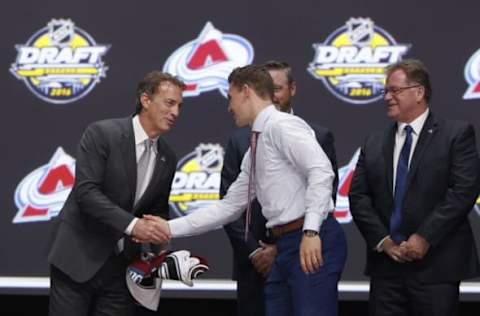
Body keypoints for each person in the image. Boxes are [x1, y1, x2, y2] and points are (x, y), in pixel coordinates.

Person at [152, 64, 347, 316]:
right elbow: (230, 206)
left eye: (230, 98)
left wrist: (311, 231)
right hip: (286, 244)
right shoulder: (257, 142)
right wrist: (168, 228)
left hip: (310, 239)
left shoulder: (281, 125)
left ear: (246, 92)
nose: (229, 107)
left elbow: (321, 171)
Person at [348, 59, 480, 316]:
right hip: (386, 269)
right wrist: (384, 241)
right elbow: (358, 196)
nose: (387, 97)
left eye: (394, 90)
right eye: (385, 91)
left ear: (419, 92)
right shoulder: (374, 141)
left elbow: (463, 191)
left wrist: (424, 237)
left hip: (437, 268)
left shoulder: (456, 134)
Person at [48, 71, 185, 316]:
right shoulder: (102, 134)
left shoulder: (168, 156)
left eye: (179, 106)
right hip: (78, 259)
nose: (176, 113)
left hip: (123, 270)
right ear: (145, 100)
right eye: (169, 103)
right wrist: (133, 225)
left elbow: (157, 209)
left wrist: (162, 250)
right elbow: (87, 193)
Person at [220, 60, 339, 316]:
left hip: (306, 247)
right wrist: (255, 251)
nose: (272, 96)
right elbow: (229, 206)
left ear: (292, 89)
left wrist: (305, 235)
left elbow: (324, 182)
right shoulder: (247, 140)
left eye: (277, 88)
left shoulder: (303, 131)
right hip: (257, 261)